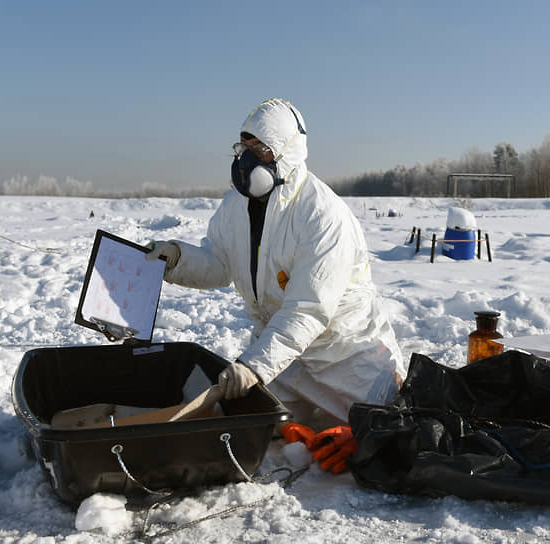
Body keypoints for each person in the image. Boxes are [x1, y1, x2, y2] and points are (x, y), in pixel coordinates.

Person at [146, 98, 406, 472]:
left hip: (345, 356)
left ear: (286, 153)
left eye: (260, 149)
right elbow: (221, 262)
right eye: (243, 148)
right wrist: (176, 258)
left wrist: (253, 367)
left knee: (383, 434)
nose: (246, 159)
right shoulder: (236, 204)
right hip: (284, 356)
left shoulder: (321, 215)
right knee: (242, 422)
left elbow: (307, 309)